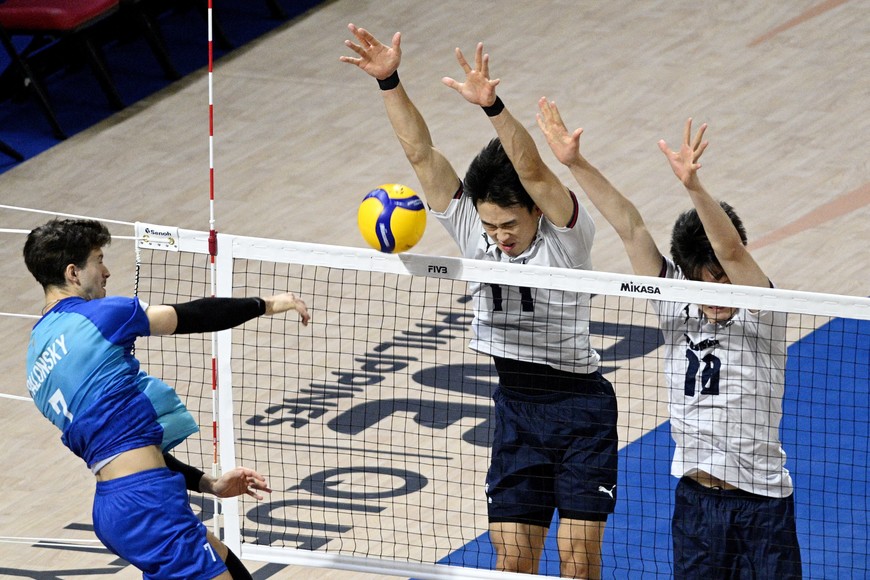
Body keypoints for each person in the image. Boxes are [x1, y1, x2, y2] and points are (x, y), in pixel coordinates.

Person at [341, 24, 618, 578]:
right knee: (512, 562)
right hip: (515, 405)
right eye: (490, 225)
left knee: (577, 561)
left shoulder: (566, 234)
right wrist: (389, 81)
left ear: (537, 210)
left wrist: (493, 108)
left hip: (580, 409)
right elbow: (420, 154)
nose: (498, 236)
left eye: (509, 223)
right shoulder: (476, 229)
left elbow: (535, 170)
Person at [537, 103, 802, 577]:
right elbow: (630, 226)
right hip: (697, 506)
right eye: (704, 282)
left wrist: (694, 188)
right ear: (686, 280)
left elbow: (731, 249)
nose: (717, 292)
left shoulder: (764, 312)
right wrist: (575, 164)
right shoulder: (674, 305)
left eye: (724, 279)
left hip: (762, 503)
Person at [23, 218, 311, 579]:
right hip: (148, 504)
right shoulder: (100, 315)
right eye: (98, 260)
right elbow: (194, 315)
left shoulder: (36, 361)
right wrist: (266, 304)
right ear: (73, 273)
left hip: (117, 507)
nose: (107, 271)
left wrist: (209, 484)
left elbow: (125, 448)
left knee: (228, 565)